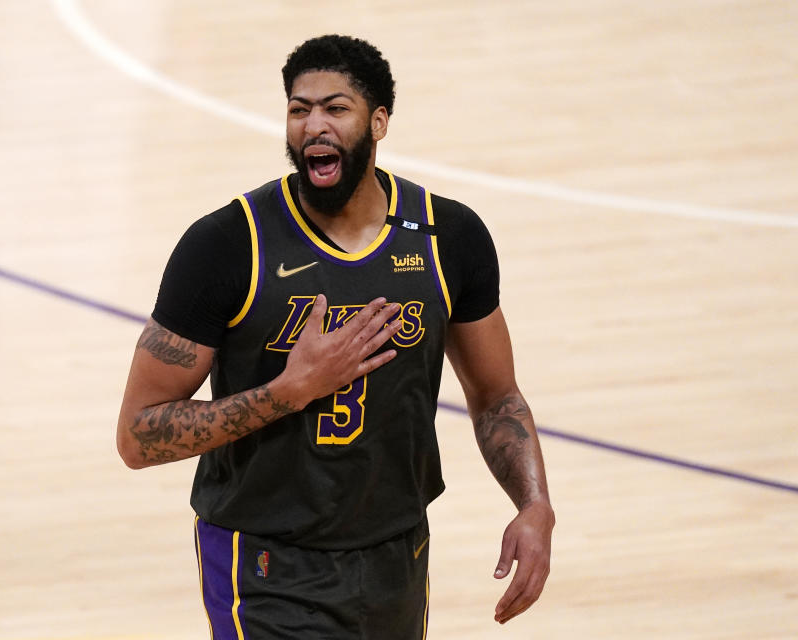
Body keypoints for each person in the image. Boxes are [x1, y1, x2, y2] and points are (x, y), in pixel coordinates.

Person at [117, 34, 554, 639]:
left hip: (394, 552)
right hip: (266, 560)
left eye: (335, 108)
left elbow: (497, 397)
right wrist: (289, 391)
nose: (313, 125)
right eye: (299, 110)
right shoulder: (227, 245)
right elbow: (138, 435)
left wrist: (533, 505)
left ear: (378, 123)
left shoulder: (446, 237)